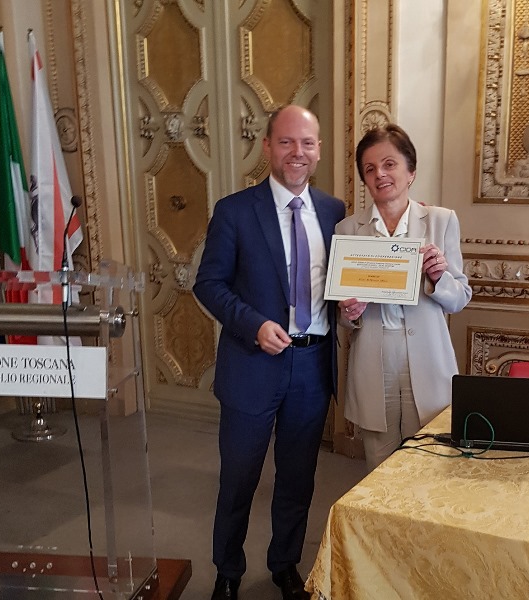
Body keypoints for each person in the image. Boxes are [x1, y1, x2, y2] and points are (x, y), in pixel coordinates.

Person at [193, 105, 345, 600]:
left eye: (307, 143)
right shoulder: (235, 211)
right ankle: (228, 571)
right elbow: (209, 284)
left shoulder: (336, 212)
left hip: (312, 366)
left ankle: (284, 564)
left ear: (318, 150)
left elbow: (344, 284)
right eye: (286, 142)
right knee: (239, 477)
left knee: (298, 478)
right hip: (252, 365)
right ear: (267, 147)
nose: (297, 152)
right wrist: (252, 324)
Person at [337, 123, 472, 471]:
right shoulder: (348, 229)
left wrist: (439, 277)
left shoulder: (441, 221)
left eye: (389, 164)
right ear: (364, 179)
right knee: (379, 465)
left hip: (427, 355)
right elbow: (343, 318)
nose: (380, 174)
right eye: (370, 169)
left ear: (410, 171)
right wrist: (349, 312)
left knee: (428, 463)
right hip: (373, 357)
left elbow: (459, 299)